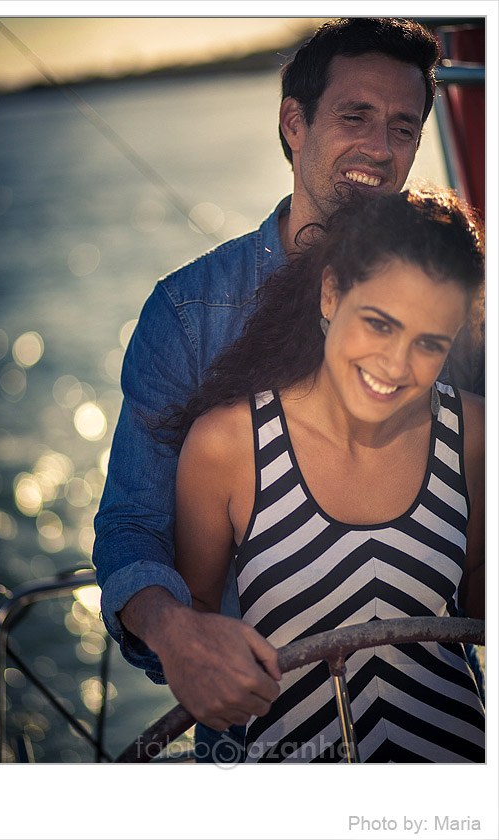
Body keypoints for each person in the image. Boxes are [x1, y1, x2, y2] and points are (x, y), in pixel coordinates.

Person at [93, 18, 483, 759]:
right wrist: (174, 631)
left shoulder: (451, 310)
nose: (378, 147)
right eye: (353, 117)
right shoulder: (187, 312)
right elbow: (131, 525)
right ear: (292, 123)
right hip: (261, 742)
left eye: (403, 127)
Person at [169, 188, 485, 762]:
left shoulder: (474, 434)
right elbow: (196, 628)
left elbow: (483, 603)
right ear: (332, 292)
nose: (395, 365)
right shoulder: (227, 446)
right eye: (380, 324)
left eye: (429, 344)